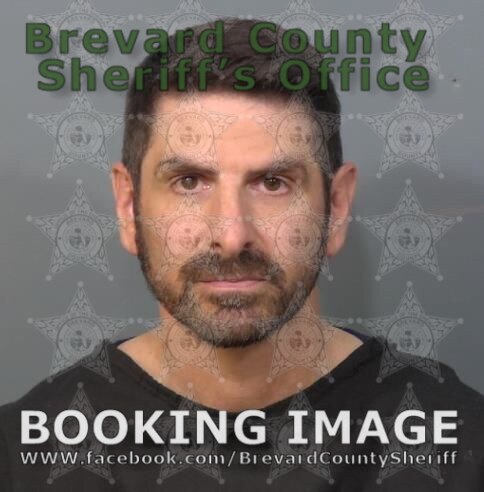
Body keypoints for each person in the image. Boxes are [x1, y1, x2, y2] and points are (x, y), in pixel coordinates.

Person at [1, 19, 483, 492]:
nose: (232, 236)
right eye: (189, 182)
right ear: (128, 207)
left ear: (336, 208)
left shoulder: (462, 446)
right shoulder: (23, 459)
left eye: (273, 183)